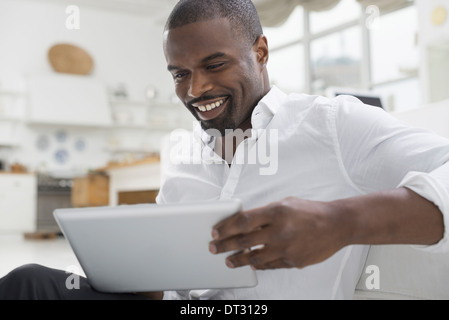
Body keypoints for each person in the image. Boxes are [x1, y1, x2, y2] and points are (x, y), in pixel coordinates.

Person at [1, 0, 449, 300]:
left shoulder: (332, 124)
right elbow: (167, 280)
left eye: (214, 65)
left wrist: (340, 222)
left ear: (261, 51)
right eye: (179, 74)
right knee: (26, 284)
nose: (196, 89)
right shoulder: (183, 154)